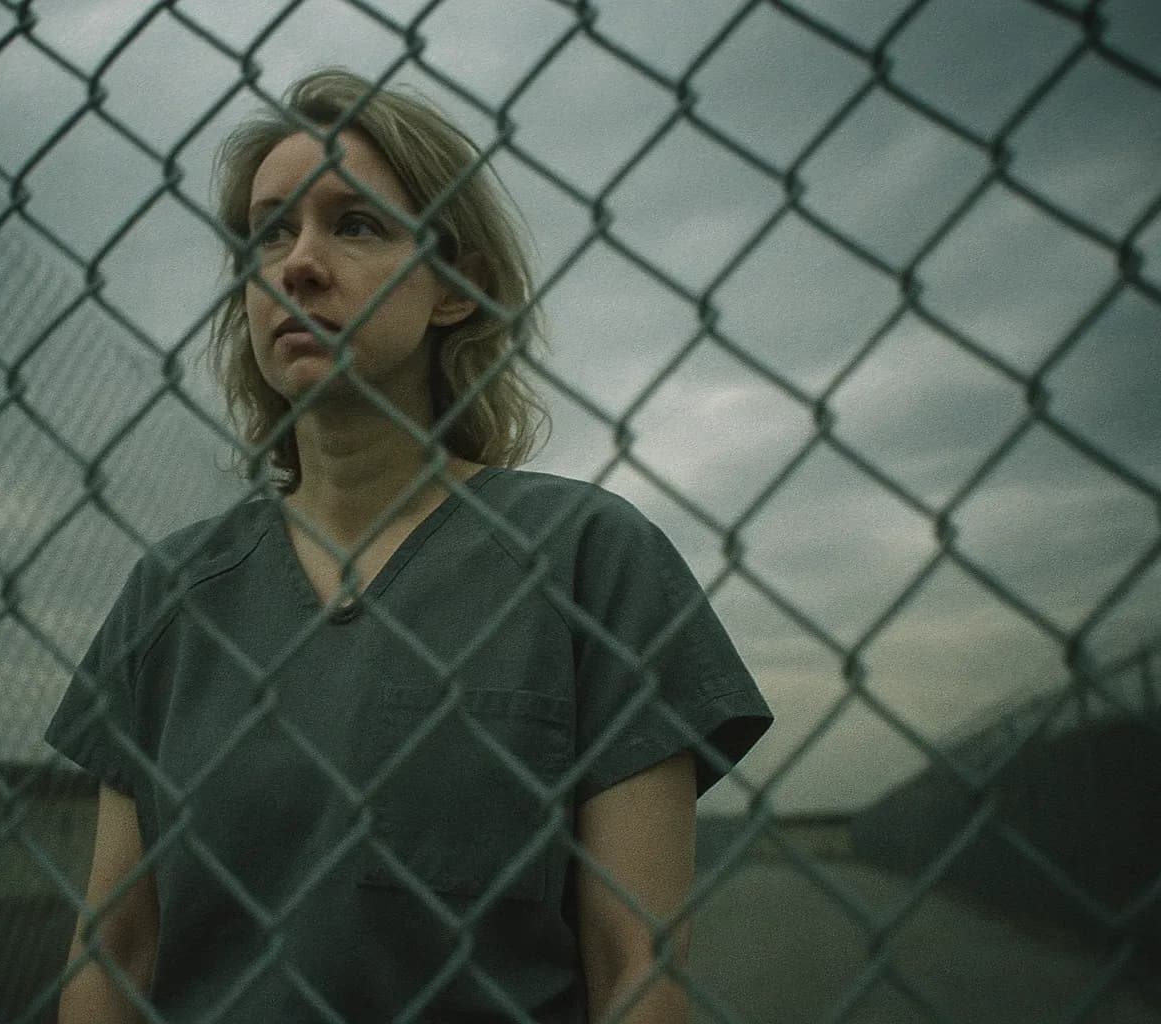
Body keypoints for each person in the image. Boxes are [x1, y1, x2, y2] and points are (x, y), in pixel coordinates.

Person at [46, 68, 772, 1023]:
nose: (297, 264)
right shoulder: (174, 593)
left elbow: (632, 959)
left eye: (355, 225)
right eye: (270, 231)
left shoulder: (589, 559)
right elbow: (116, 953)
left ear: (455, 289)